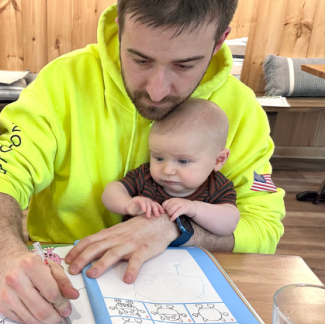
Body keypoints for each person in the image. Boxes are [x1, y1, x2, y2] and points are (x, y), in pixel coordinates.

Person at [0, 0, 285, 324]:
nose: (157, 89)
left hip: (184, 293)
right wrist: (7, 254)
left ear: (219, 41)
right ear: (119, 24)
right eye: (140, 59)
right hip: (63, 280)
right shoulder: (61, 82)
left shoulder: (243, 111)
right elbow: (0, 178)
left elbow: (264, 228)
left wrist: (175, 228)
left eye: (184, 65)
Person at [102, 98, 240, 237]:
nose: (167, 170)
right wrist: (127, 204)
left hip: (188, 257)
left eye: (183, 161)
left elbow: (230, 223)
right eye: (159, 158)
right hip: (131, 247)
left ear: (219, 160)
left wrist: (194, 209)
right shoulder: (145, 177)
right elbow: (111, 191)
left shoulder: (216, 186)